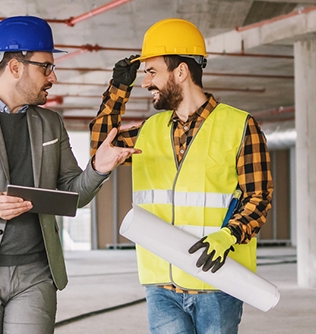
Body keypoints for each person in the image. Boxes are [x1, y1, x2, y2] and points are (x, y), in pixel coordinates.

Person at [0, 15, 138, 334]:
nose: (52, 77)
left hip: (36, 273)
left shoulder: (50, 123)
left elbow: (72, 195)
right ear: (15, 67)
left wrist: (98, 168)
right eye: (45, 67)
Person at [89, 18, 273, 334]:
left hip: (216, 281)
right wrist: (119, 89)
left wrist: (229, 235)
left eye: (151, 72)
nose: (145, 82)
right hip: (161, 286)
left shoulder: (240, 126)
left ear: (181, 72)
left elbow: (259, 196)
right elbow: (101, 148)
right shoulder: (150, 130)